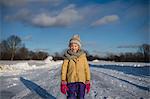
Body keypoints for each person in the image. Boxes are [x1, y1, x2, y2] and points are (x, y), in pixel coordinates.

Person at [60, 34, 91, 99]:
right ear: (69, 46)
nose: (73, 47)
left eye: (75, 46)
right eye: (72, 46)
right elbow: (64, 69)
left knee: (81, 96)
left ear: (78, 47)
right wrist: (63, 80)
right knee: (71, 96)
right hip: (71, 80)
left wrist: (88, 79)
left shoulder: (83, 56)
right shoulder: (67, 56)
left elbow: (86, 68)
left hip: (81, 80)